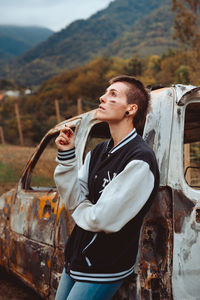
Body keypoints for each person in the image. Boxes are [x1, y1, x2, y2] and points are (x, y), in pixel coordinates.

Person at [54, 75, 160, 300]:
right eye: (105, 92)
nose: (102, 97)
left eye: (113, 94)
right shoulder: (99, 151)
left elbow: (102, 219)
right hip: (77, 256)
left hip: (105, 265)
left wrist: (80, 209)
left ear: (130, 109)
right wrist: (67, 156)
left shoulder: (140, 159)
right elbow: (73, 195)